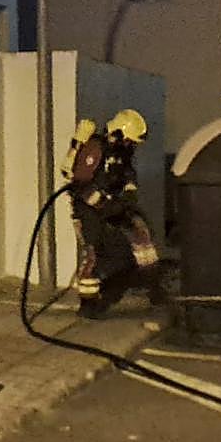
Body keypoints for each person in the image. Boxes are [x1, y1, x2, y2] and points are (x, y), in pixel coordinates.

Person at [61, 108, 166, 318]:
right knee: (94, 255)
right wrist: (104, 205)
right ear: (118, 134)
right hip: (89, 210)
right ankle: (88, 304)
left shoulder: (122, 153)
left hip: (114, 206)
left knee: (141, 239)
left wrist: (128, 194)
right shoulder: (95, 148)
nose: (131, 146)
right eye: (129, 141)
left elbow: (127, 175)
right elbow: (80, 185)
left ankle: (153, 287)